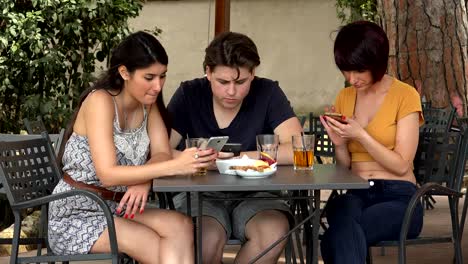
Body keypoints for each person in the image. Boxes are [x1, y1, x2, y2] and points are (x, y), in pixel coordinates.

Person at [48, 31, 217, 263]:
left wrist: (143, 180)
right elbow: (107, 175)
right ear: (124, 72)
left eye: (162, 76)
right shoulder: (101, 101)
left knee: (182, 225)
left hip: (117, 205)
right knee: (159, 248)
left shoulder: (148, 105)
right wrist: (173, 166)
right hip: (78, 211)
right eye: (149, 77)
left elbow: (161, 152)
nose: (158, 86)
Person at [167, 31, 303, 263]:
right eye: (223, 82)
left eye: (241, 82)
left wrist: (237, 158)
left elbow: (299, 149)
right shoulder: (189, 93)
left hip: (259, 192)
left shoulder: (268, 92)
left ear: (253, 73)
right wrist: (198, 161)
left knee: (271, 234)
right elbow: (161, 151)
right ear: (208, 73)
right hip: (200, 193)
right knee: (205, 242)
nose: (231, 91)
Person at [319, 21, 424, 263]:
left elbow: (401, 166)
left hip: (399, 196)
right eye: (346, 70)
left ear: (377, 62)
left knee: (336, 237)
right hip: (356, 192)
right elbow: (345, 166)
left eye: (359, 70)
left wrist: (361, 135)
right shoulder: (345, 97)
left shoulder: (405, 95)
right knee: (342, 216)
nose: (352, 78)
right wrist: (339, 142)